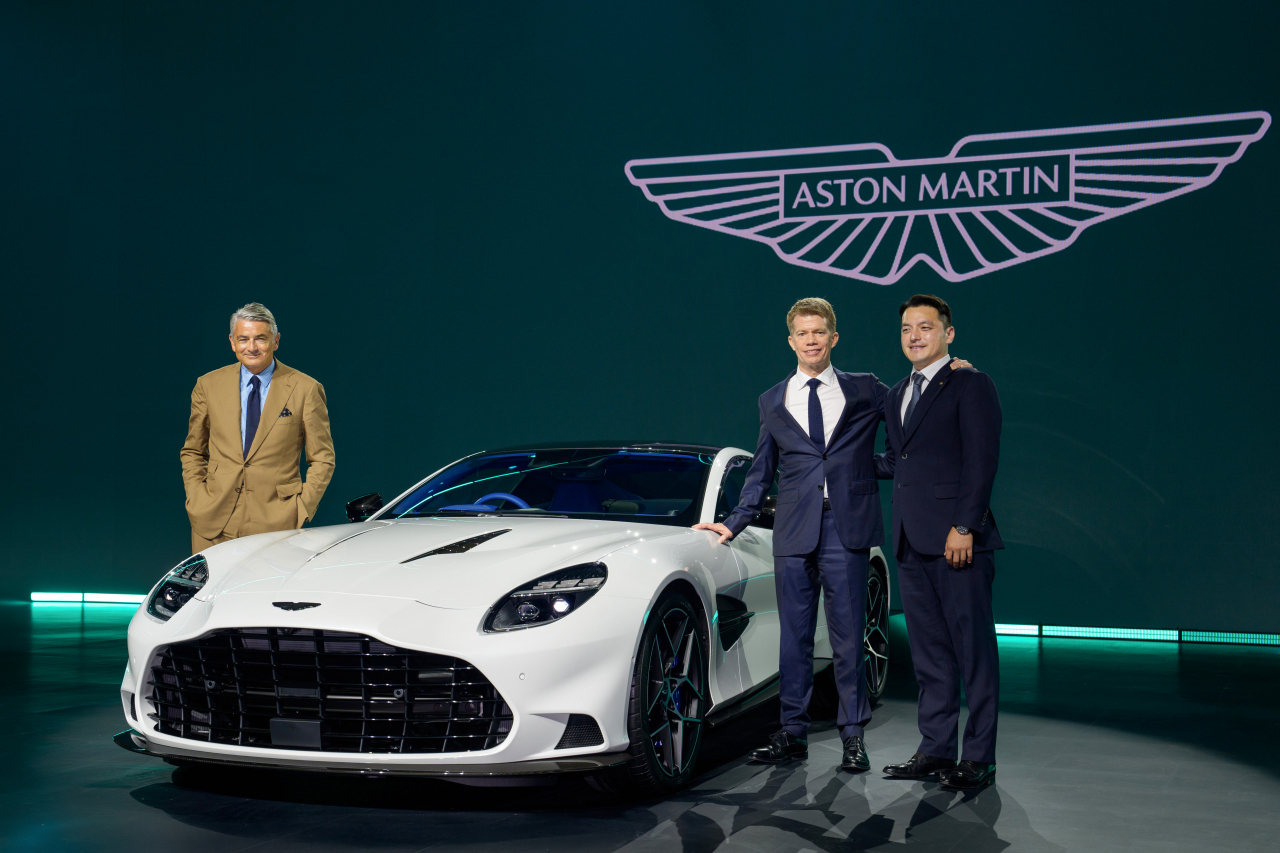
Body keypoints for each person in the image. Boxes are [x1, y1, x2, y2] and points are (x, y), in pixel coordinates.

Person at [694, 297, 967, 773]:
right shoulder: (773, 400)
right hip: (794, 529)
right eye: (803, 333)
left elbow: (911, 409)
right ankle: (792, 732)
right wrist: (735, 520)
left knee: (847, 636)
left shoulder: (866, 390)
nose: (812, 340)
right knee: (793, 637)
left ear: (833, 337)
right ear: (791, 341)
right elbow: (762, 470)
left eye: (820, 332)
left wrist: (948, 370)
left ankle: (853, 736)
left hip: (848, 525)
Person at [878, 294, 1003, 791]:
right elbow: (895, 462)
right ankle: (934, 749)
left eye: (925, 327)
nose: (914, 336)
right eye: (907, 328)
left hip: (958, 541)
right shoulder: (897, 394)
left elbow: (981, 461)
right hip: (911, 540)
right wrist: (833, 466)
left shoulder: (970, 383)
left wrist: (965, 525)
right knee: (930, 655)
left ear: (948, 334)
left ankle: (978, 756)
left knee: (974, 652)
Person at [180, 303, 336, 554]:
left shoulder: (305, 388)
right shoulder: (208, 385)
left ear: (276, 341)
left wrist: (302, 508)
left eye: (260, 339)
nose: (251, 347)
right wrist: (197, 499)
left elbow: (323, 459)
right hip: (212, 520)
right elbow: (193, 451)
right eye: (243, 339)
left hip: (278, 523)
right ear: (232, 342)